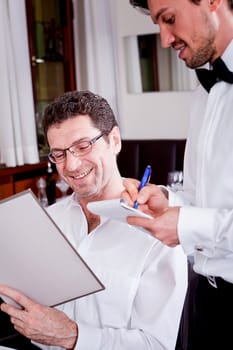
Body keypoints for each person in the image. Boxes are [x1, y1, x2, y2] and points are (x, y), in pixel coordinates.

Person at [0, 90, 187, 350]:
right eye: (60, 154)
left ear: (115, 140)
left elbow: (156, 344)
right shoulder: (48, 222)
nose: (72, 165)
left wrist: (73, 336)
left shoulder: (160, 233)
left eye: (83, 146)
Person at [124, 1, 233, 349]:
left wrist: (184, 224)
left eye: (169, 19)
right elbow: (209, 199)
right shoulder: (205, 94)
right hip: (208, 302)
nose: (165, 39)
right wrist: (168, 200)